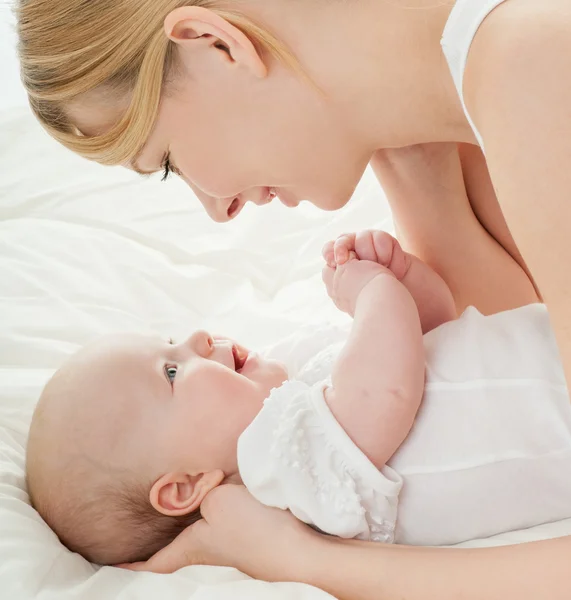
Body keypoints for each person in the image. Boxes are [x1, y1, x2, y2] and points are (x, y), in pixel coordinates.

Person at [16, 0, 571, 592]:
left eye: (169, 162)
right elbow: (519, 349)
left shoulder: (533, 67)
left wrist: (301, 562)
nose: (219, 208)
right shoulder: (463, 95)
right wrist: (410, 162)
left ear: (215, 44)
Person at [27, 230, 571, 571]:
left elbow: (428, 355)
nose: (195, 340)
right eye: (171, 371)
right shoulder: (278, 476)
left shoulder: (304, 400)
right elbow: (388, 391)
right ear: (185, 486)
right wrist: (377, 295)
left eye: (172, 339)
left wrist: (406, 285)